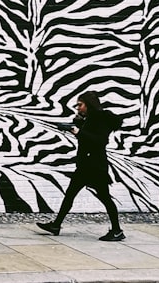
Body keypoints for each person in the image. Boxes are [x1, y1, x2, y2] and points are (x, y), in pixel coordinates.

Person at [37, 91, 124, 241]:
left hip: (96, 167)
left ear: (89, 105)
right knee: (70, 194)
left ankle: (117, 231)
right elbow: (89, 136)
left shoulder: (100, 119)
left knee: (105, 198)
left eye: (80, 105)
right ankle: (56, 225)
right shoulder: (90, 119)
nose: (78, 108)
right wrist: (79, 124)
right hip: (86, 166)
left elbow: (100, 141)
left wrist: (78, 132)